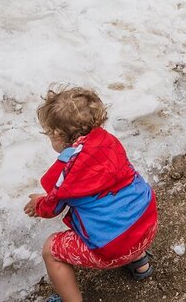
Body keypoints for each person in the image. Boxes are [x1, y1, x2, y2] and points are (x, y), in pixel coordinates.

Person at [24, 87, 158, 302]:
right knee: (122, 204)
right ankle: (141, 264)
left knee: (51, 250)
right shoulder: (108, 141)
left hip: (113, 248)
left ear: (58, 135)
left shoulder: (64, 171)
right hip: (147, 224)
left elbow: (51, 208)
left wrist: (38, 203)